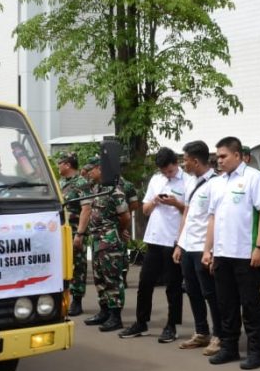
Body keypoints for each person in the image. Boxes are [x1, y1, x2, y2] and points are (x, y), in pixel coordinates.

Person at [202, 136, 260, 369]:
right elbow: (212, 218)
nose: (219, 161)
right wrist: (208, 250)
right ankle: (229, 348)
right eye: (217, 157)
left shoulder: (254, 178)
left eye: (223, 156)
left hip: (246, 253)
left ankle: (256, 351)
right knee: (227, 304)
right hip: (223, 254)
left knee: (250, 305)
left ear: (237, 155)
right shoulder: (217, 183)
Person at [120, 147, 186, 341]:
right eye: (163, 171)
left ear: (176, 163)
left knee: (173, 285)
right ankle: (141, 322)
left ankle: (171, 325)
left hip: (173, 239)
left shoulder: (187, 181)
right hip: (154, 239)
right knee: (145, 282)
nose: (167, 174)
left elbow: (189, 211)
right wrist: (156, 201)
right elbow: (145, 209)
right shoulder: (156, 180)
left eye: (170, 171)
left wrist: (176, 204)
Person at [172, 140, 220, 352]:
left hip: (203, 247)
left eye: (185, 160)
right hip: (188, 245)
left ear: (195, 160)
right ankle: (201, 332)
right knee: (192, 291)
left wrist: (211, 250)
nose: (183, 164)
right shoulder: (191, 182)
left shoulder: (216, 184)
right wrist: (179, 244)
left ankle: (219, 335)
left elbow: (216, 219)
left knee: (210, 292)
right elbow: (187, 214)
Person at [75, 158, 131, 332]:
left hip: (110, 240)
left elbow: (125, 216)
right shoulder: (95, 189)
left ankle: (116, 317)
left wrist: (119, 231)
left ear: (100, 168)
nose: (89, 172)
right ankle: (104, 311)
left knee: (112, 279)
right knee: (99, 278)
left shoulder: (114, 190)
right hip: (97, 240)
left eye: (91, 169)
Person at [58, 153, 90, 316]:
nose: (58, 166)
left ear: (68, 165)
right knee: (62, 266)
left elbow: (86, 209)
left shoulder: (81, 182)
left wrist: (80, 234)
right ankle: (62, 299)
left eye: (60, 163)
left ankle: (77, 301)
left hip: (75, 230)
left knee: (78, 266)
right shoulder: (61, 182)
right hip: (60, 231)